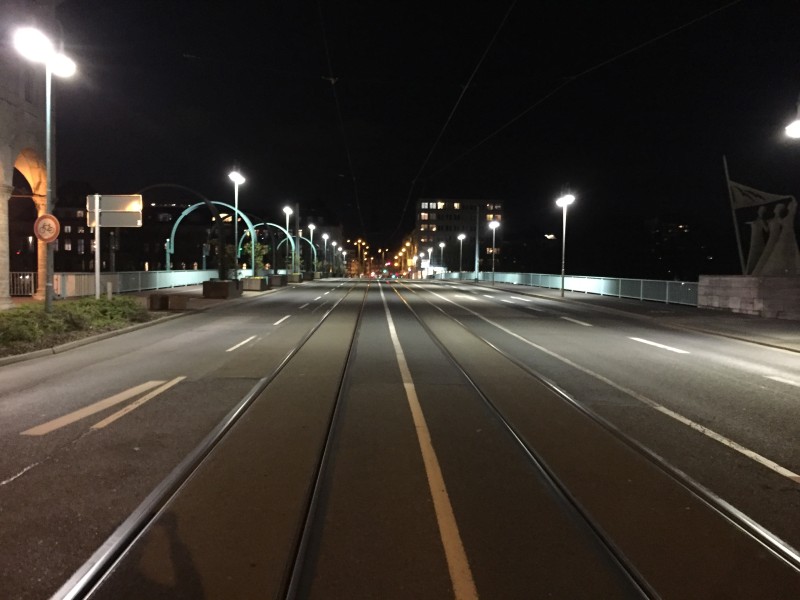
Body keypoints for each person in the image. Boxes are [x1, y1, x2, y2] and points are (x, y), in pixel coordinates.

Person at [754, 199, 800, 276]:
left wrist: (793, 200)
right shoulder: (780, 219)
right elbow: (767, 229)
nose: (775, 209)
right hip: (783, 236)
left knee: (782, 251)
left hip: (787, 235)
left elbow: (794, 207)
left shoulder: (789, 216)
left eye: (777, 208)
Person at [745, 206, 768, 274]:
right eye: (760, 210)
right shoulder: (755, 220)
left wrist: (765, 223)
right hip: (754, 240)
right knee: (752, 256)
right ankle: (749, 272)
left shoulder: (762, 221)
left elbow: (766, 230)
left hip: (759, 240)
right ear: (758, 211)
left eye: (762, 211)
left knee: (760, 256)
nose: (760, 212)